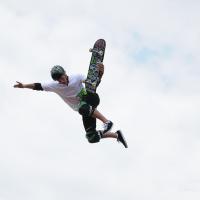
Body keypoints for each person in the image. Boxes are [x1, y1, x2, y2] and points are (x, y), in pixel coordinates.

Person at [14, 64, 128, 148]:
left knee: (83, 107)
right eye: (59, 80)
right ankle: (117, 135)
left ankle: (107, 122)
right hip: (85, 110)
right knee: (91, 137)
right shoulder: (54, 85)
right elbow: (38, 86)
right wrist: (23, 85)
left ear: (65, 73)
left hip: (91, 98)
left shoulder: (77, 77)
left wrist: (100, 74)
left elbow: (92, 83)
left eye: (62, 77)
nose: (62, 81)